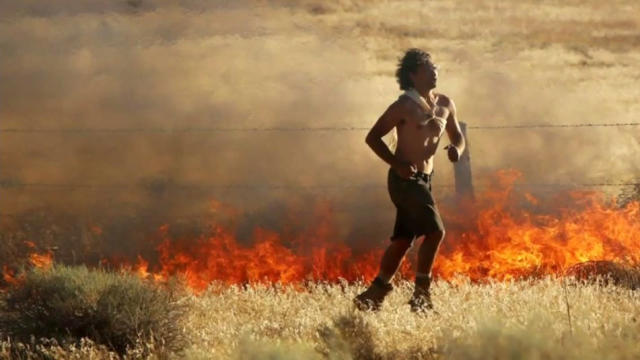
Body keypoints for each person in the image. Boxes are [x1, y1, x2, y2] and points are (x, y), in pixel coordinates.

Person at [353, 48, 465, 312]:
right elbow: (372, 137)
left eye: (435, 67)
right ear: (413, 75)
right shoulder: (403, 106)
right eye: (428, 68)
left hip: (426, 179)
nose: (435, 71)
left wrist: (455, 150)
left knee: (403, 240)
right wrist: (397, 164)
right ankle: (421, 297)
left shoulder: (445, 103)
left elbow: (457, 135)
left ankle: (372, 295)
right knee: (436, 231)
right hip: (404, 181)